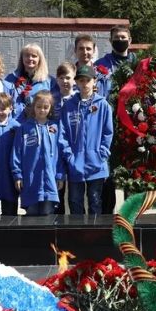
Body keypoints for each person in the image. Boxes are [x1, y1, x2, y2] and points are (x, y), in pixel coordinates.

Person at [60, 65, 114, 215]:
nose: (84, 84)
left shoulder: (102, 105)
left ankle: (94, 236)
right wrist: (69, 157)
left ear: (94, 81)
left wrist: (101, 154)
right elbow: (62, 134)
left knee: (95, 201)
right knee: (75, 201)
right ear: (76, 82)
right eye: (81, 80)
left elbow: (108, 133)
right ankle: (77, 236)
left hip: (96, 164)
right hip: (75, 163)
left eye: (88, 80)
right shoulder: (69, 106)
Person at [95, 25, 136, 213]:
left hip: (133, 126)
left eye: (123, 37)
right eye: (117, 37)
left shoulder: (139, 63)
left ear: (130, 40)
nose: (120, 40)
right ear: (110, 41)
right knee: (108, 173)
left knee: (132, 172)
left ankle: (131, 216)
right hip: (109, 125)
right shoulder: (100, 65)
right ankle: (106, 216)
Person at [12, 91, 65, 215]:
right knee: (31, 216)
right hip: (31, 181)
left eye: (46, 107)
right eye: (39, 107)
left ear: (50, 108)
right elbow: (16, 153)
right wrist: (17, 175)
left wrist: (60, 176)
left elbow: (60, 154)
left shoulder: (55, 128)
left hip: (49, 181)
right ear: (33, 107)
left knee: (48, 216)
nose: (42, 110)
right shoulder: (24, 128)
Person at [5, 43, 59, 120]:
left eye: (34, 56)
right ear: (22, 58)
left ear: (39, 59)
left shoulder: (50, 82)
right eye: (27, 55)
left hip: (37, 125)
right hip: (15, 125)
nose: (30, 58)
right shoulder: (10, 79)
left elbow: (55, 107)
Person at [53, 61, 77, 214]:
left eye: (68, 77)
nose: (65, 81)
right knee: (58, 189)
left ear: (74, 79)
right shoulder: (51, 99)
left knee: (75, 194)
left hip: (73, 148)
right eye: (61, 78)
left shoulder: (78, 99)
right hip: (56, 151)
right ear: (57, 80)